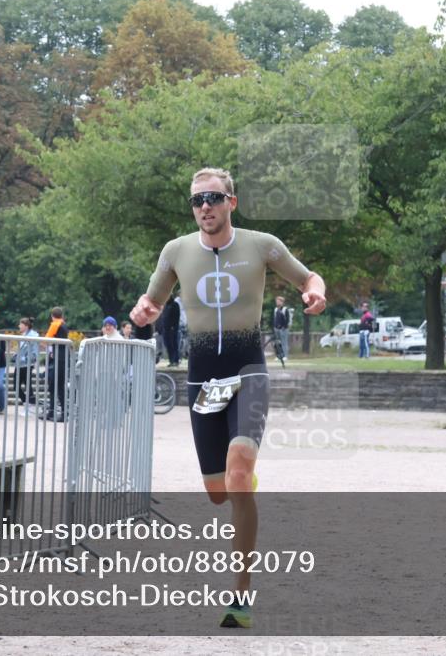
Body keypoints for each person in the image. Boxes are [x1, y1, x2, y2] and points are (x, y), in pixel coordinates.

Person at [130, 167, 326, 629]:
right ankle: (241, 485)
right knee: (219, 494)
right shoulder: (175, 251)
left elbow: (307, 278)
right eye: (197, 200)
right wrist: (144, 310)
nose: (205, 207)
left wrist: (314, 292)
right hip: (202, 381)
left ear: (231, 203)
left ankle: (240, 596)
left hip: (247, 371)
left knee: (239, 475)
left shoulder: (262, 245)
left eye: (214, 198)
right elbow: (153, 301)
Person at [41, 307, 69, 422]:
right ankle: (56, 412)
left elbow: (46, 340)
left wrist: (47, 345)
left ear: (52, 315)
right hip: (62, 356)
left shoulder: (55, 324)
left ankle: (58, 413)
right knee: (57, 386)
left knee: (55, 386)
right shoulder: (63, 324)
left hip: (58, 358)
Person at [14, 317, 39, 407]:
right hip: (21, 363)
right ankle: (29, 401)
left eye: (20, 324)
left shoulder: (33, 335)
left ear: (26, 326)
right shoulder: (24, 335)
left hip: (26, 363)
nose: (19, 326)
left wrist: (27, 358)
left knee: (23, 385)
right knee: (23, 385)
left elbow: (34, 350)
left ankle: (29, 401)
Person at [161, 295, 181, 365]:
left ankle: (176, 360)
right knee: (168, 345)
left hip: (172, 329)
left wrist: (174, 327)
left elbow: (176, 317)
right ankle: (171, 360)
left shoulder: (175, 305)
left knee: (174, 345)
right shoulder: (166, 305)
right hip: (165, 329)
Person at [271, 296, 291, 362]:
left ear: (282, 302)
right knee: (277, 343)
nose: (277, 302)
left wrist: (284, 327)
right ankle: (278, 356)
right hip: (276, 329)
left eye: (278, 301)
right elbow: (274, 319)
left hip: (283, 329)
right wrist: (274, 327)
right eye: (276, 301)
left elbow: (287, 319)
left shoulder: (285, 309)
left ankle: (285, 356)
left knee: (284, 342)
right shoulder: (275, 309)